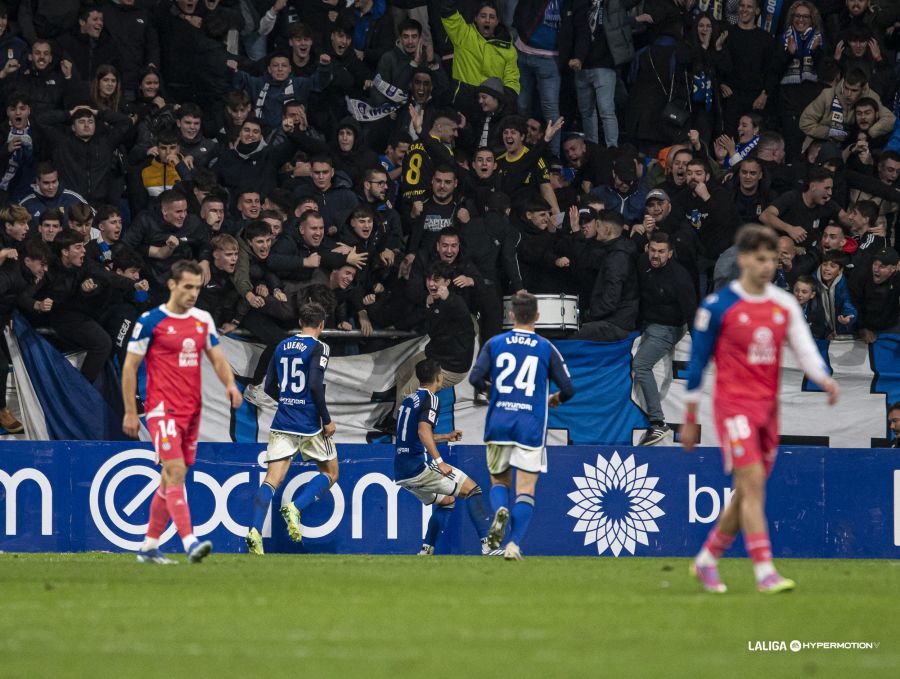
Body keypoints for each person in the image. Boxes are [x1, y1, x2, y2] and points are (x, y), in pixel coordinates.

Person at [682, 224, 839, 594]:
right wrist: (690, 417)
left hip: (768, 409)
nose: (767, 266)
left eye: (771, 259)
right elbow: (696, 364)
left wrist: (825, 378)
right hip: (732, 407)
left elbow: (803, 347)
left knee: (745, 491)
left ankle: (707, 559)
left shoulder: (783, 303)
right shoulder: (719, 306)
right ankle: (765, 572)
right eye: (759, 258)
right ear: (743, 260)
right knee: (753, 488)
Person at [123, 260, 243, 565]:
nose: (193, 293)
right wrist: (130, 412)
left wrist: (230, 385)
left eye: (198, 288)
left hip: (192, 410)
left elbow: (217, 358)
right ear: (172, 285)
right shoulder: (150, 321)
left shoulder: (202, 320)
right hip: (161, 409)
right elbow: (129, 367)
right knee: (175, 472)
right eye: (188, 287)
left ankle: (149, 545)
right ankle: (190, 542)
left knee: (171, 477)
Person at [468, 290, 576, 560]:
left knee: (499, 483)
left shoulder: (495, 343)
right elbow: (569, 388)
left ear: (511, 315)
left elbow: (475, 378)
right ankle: (514, 544)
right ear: (537, 317)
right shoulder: (545, 348)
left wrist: (492, 390)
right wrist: (556, 399)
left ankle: (500, 512)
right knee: (525, 490)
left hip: (499, 423)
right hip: (530, 425)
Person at [246, 303, 337, 555]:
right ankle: (296, 507)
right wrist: (326, 419)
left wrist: (289, 401)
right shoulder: (320, 347)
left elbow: (271, 386)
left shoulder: (281, 345)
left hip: (283, 420)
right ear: (321, 324)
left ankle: (254, 530)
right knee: (331, 472)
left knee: (271, 480)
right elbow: (316, 385)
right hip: (310, 424)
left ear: (299, 322)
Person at [393, 358, 496, 556]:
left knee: (447, 501)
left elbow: (415, 434)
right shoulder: (431, 399)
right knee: (473, 489)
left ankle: (426, 551)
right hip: (418, 467)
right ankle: (488, 546)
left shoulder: (409, 399)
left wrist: (445, 437)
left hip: (402, 470)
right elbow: (423, 431)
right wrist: (440, 462)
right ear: (439, 377)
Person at [634, 232, 697, 445]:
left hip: (669, 327)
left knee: (641, 365)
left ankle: (658, 423)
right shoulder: (642, 262)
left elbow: (692, 313)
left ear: (670, 253)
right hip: (647, 322)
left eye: (661, 252)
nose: (656, 255)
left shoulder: (679, 278)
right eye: (652, 250)